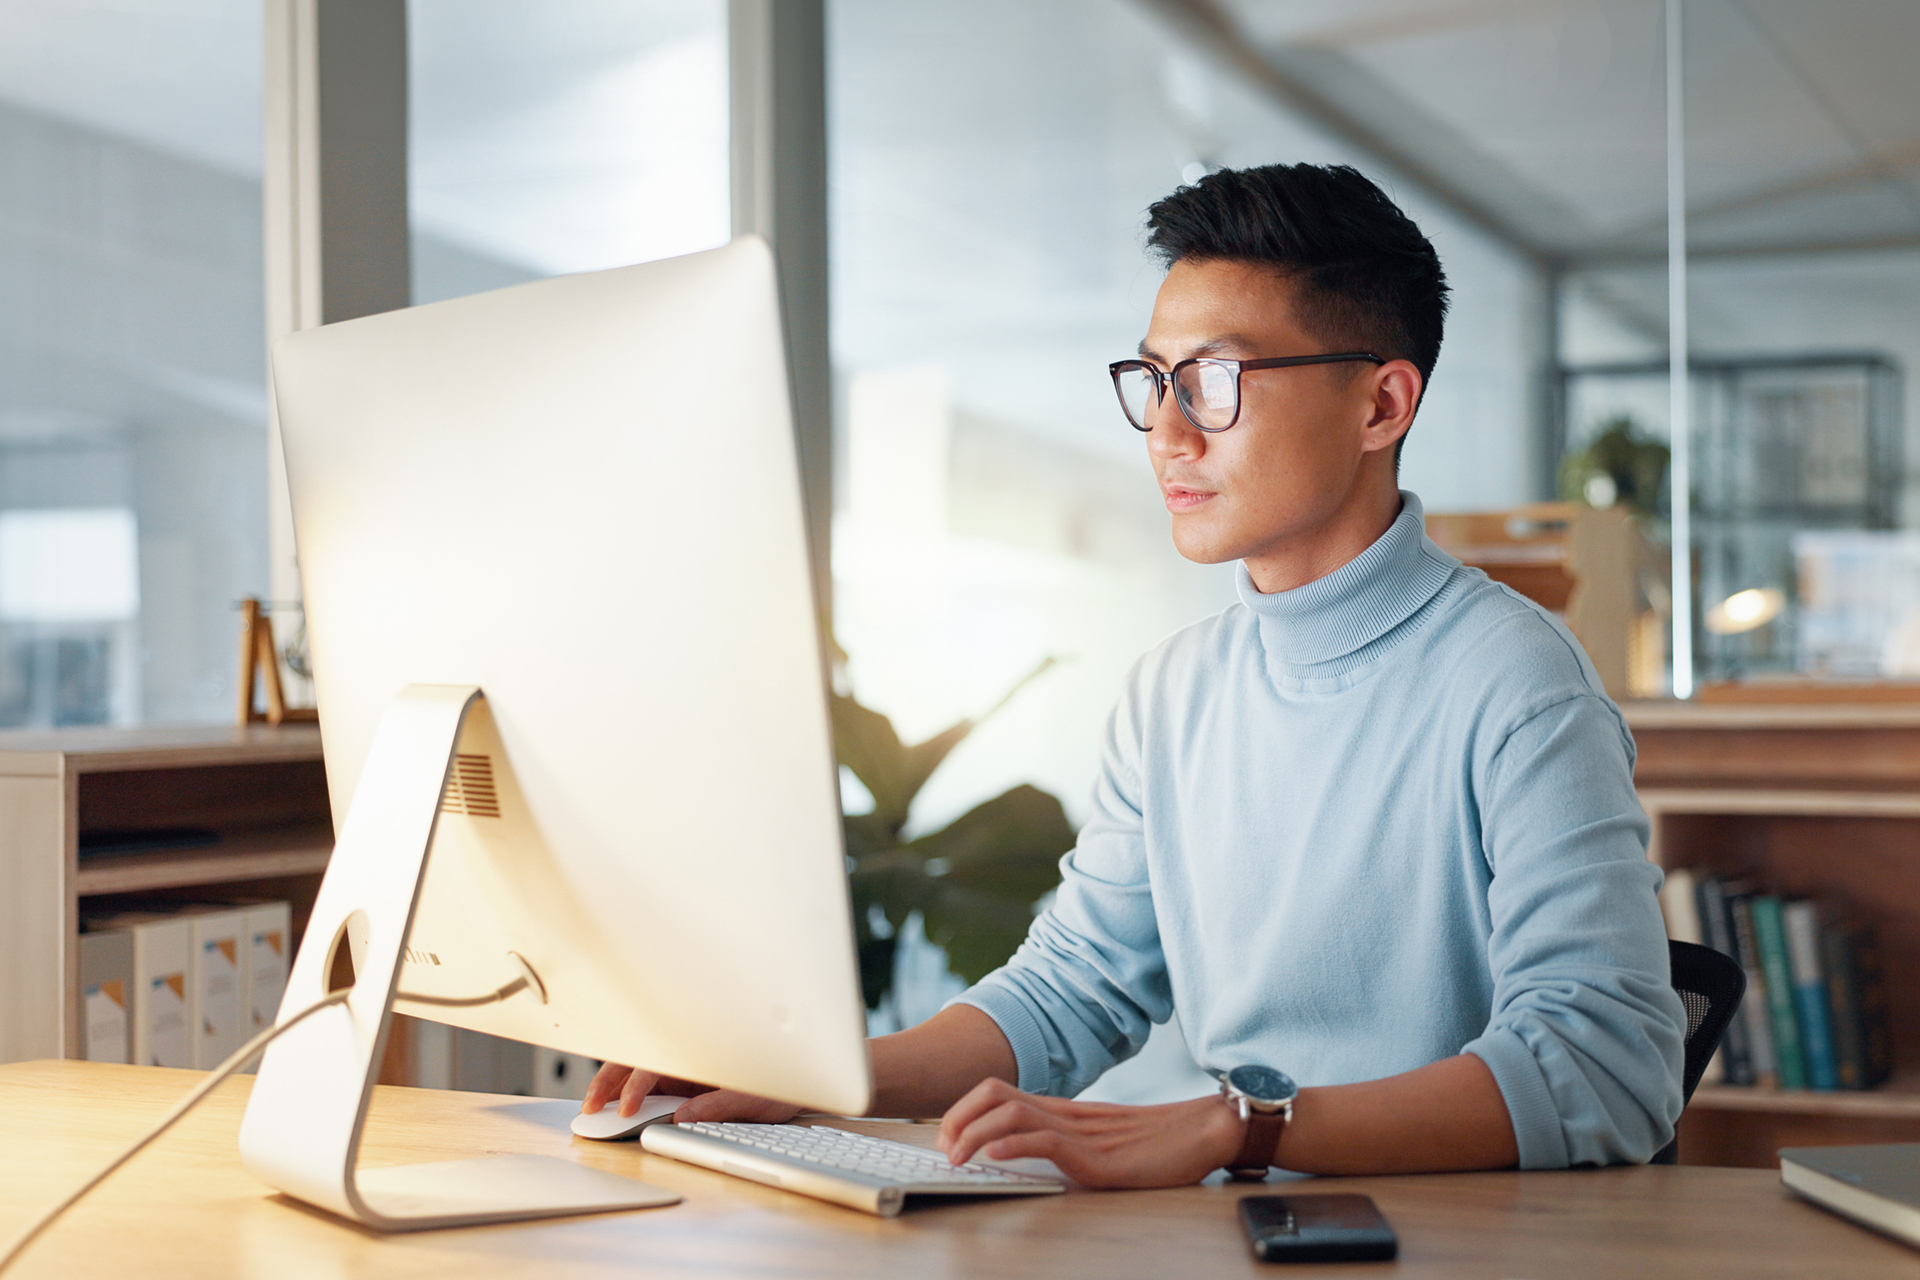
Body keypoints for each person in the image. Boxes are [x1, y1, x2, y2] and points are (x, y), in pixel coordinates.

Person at [585, 162, 1686, 1188]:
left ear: (1381, 405)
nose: (1165, 431)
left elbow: (1604, 1066)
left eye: (1211, 379)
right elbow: (1074, 989)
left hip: (1441, 1238)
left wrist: (1240, 1122)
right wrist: (822, 1082)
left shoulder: (1517, 682)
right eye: (1154, 379)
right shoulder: (1176, 690)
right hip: (1229, 1222)